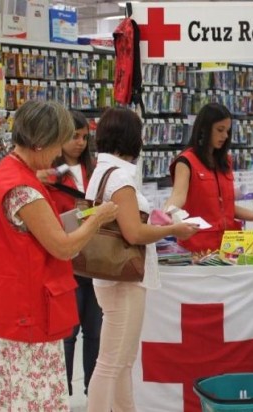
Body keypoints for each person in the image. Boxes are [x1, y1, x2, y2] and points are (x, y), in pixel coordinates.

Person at [0, 101, 119, 411]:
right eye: (57, 144)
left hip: (7, 303)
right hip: (28, 310)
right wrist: (97, 219)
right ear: (40, 142)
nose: (58, 154)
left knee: (12, 393)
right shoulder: (24, 190)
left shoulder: (5, 170)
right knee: (36, 398)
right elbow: (63, 247)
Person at [85, 108, 198, 411]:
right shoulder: (120, 177)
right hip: (124, 277)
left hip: (109, 275)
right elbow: (133, 233)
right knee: (112, 363)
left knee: (121, 362)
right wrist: (172, 229)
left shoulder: (101, 171)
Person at [164, 102, 253, 253]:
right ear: (204, 129)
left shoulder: (225, 162)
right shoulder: (186, 162)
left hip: (230, 248)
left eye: (227, 131)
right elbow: (178, 196)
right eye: (220, 130)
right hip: (197, 250)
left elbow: (226, 208)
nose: (225, 136)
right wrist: (164, 215)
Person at [44, 110, 100, 397]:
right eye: (74, 137)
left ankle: (94, 390)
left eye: (84, 137)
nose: (80, 143)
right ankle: (61, 392)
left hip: (97, 260)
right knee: (68, 333)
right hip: (65, 261)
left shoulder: (96, 169)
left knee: (95, 332)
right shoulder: (48, 173)